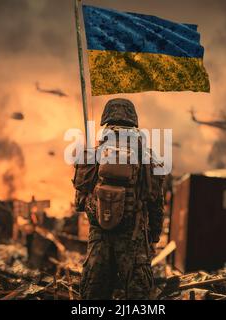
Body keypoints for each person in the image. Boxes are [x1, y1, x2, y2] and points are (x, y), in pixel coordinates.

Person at [72, 98, 165, 299]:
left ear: (106, 118)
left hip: (99, 239)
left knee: (93, 296)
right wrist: (154, 239)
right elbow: (156, 204)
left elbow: (79, 203)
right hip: (133, 238)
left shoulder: (93, 154)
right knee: (138, 297)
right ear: (133, 120)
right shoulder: (148, 158)